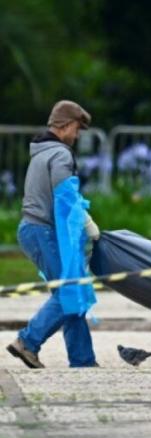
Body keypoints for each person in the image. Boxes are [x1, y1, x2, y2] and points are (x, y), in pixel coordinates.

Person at [6, 100, 101, 369]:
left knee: (71, 292)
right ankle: (28, 342)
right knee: (69, 290)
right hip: (43, 231)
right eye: (77, 129)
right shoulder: (60, 154)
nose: (77, 136)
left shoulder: (41, 152)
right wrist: (85, 224)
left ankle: (83, 361)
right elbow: (65, 198)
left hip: (31, 230)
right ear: (67, 125)